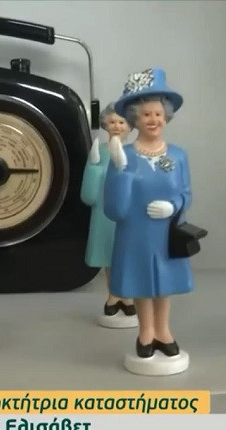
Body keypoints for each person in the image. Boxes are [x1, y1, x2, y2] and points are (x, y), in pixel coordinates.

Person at [104, 68, 193, 375]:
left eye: (157, 113)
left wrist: (174, 206)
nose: (153, 120)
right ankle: (146, 332)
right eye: (146, 115)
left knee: (164, 283)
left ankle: (163, 330)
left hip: (165, 232)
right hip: (136, 233)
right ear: (135, 119)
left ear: (166, 116)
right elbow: (114, 209)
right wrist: (121, 172)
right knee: (141, 281)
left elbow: (186, 193)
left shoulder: (178, 156)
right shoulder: (124, 155)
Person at [81, 103, 137, 328]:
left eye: (121, 122)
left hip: (129, 213)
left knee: (127, 255)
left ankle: (128, 295)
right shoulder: (100, 151)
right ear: (105, 124)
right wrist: (94, 166)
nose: (117, 126)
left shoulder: (135, 153)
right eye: (112, 121)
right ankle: (114, 295)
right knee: (109, 254)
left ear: (129, 126)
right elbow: (89, 192)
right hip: (105, 212)